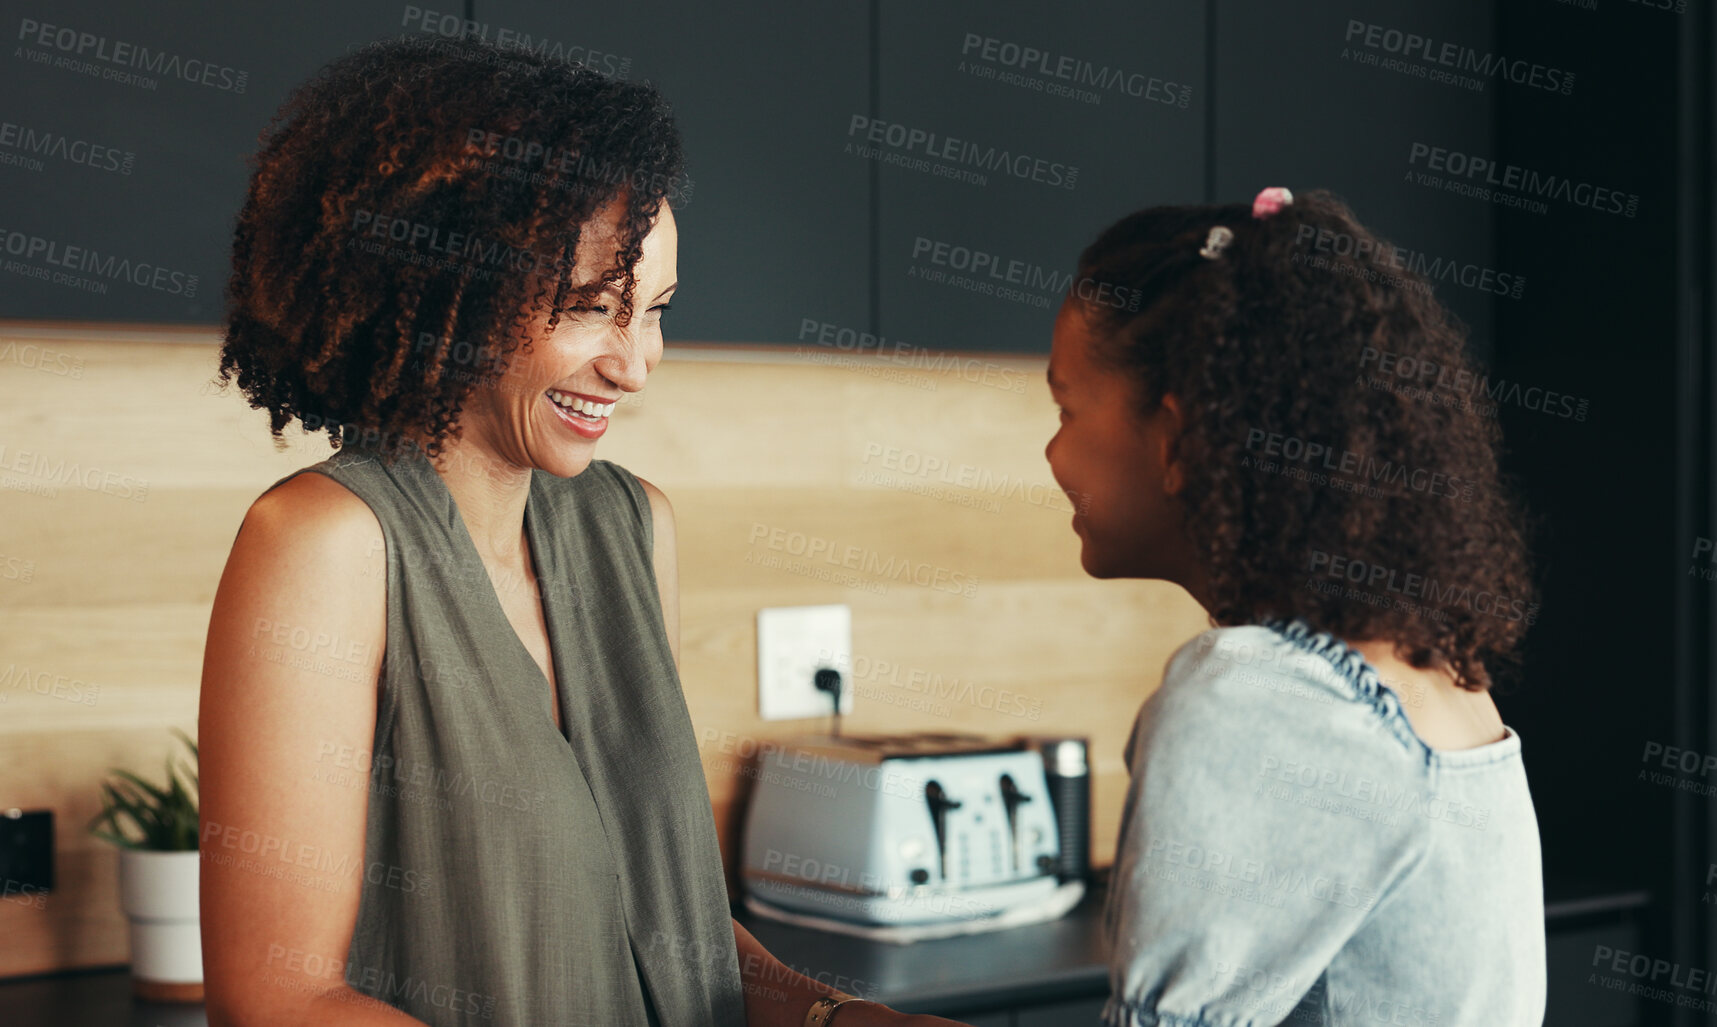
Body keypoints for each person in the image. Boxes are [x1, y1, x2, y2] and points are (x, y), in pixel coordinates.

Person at [198, 34, 953, 1027]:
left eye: (655, 312)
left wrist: (837, 1018)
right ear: (447, 292)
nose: (635, 365)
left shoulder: (634, 528)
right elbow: (280, 1001)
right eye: (596, 310)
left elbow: (667, 930)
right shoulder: (325, 542)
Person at [1044, 188, 1546, 1026]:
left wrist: (810, 1008)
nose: (1052, 451)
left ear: (1176, 439)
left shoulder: (1260, 700)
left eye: (1065, 407)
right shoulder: (1430, 674)